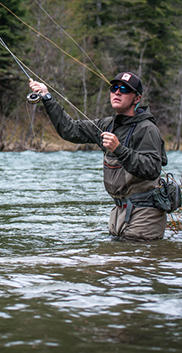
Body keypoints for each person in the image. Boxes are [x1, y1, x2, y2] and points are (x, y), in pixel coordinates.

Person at [29, 72, 168, 241]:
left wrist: (119, 149)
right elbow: (69, 130)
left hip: (145, 213)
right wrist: (47, 97)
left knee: (134, 264)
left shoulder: (147, 129)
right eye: (114, 88)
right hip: (119, 213)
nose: (117, 92)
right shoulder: (106, 125)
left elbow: (152, 169)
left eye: (124, 89)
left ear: (137, 99)